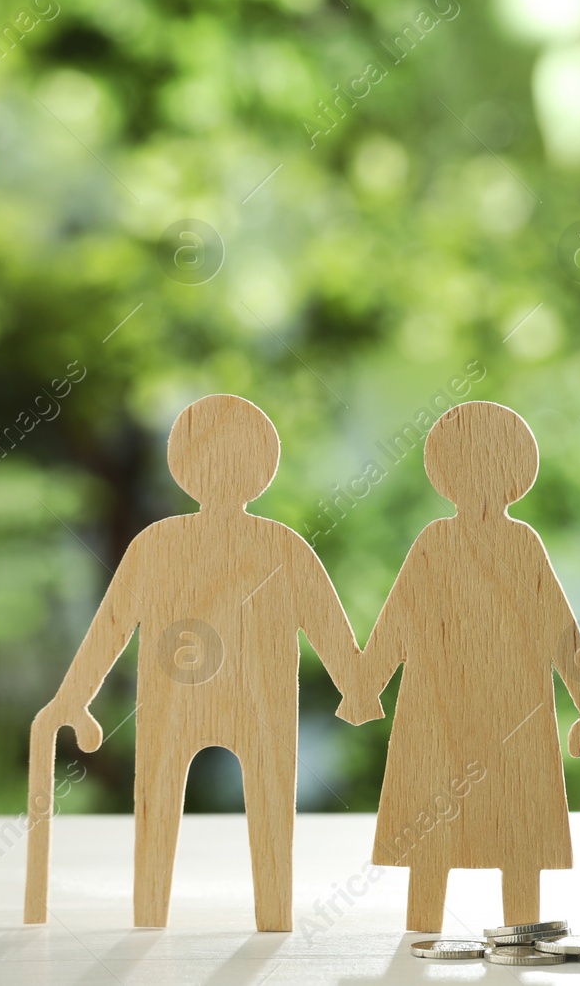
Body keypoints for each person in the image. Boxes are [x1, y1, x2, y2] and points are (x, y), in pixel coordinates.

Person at [35, 394, 366, 930]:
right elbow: (113, 625)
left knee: (207, 805)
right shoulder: (272, 544)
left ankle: (204, 915)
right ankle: (233, 916)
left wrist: (75, 697)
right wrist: (358, 687)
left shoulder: (166, 543)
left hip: (225, 703)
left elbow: (111, 627)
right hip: (214, 703)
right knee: (193, 805)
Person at [341, 401, 580, 932]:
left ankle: (515, 930)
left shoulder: (517, 545)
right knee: (440, 833)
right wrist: (362, 685)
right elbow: (399, 621)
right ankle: (430, 928)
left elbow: (561, 633)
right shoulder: (443, 543)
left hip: (505, 718)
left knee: (510, 831)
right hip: (449, 715)